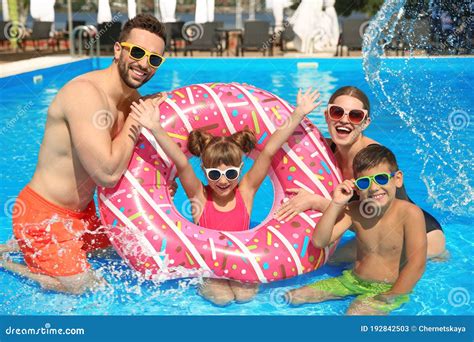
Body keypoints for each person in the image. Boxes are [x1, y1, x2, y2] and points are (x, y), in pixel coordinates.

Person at [0, 14, 175, 294]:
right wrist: (134, 119)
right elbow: (106, 173)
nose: (144, 64)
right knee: (84, 287)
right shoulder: (85, 95)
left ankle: (18, 245)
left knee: (129, 256)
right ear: (118, 50)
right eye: (138, 52)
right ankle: (6, 260)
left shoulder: (131, 100)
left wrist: (163, 183)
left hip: (86, 216)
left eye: (154, 59)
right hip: (44, 215)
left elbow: (131, 164)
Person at [129, 88, 322, 306]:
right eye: (214, 174)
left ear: (240, 169)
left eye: (230, 173)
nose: (223, 181)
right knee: (222, 299)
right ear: (203, 171)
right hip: (210, 269)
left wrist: (298, 114)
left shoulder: (246, 192)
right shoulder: (199, 196)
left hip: (244, 263)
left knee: (245, 297)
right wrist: (155, 127)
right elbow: (181, 163)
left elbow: (269, 151)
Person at [275, 86, 446, 260]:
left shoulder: (374, 159)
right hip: (377, 235)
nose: (344, 120)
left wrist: (316, 202)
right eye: (337, 112)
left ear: (365, 122)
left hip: (418, 236)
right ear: (327, 116)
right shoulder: (326, 150)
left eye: (355, 116)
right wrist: (298, 113)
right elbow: (276, 145)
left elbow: (378, 217)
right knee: (330, 262)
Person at [287, 145, 427, 315]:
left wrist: (390, 296)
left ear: (397, 179)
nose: (374, 188)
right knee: (294, 296)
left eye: (381, 179)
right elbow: (320, 241)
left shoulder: (410, 213)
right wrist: (337, 203)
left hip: (387, 288)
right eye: (364, 182)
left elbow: (417, 264)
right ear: (357, 188)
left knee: (354, 314)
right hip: (352, 280)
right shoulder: (355, 210)